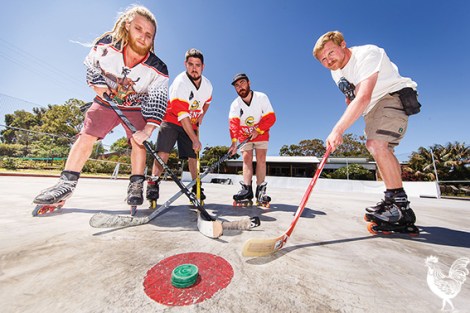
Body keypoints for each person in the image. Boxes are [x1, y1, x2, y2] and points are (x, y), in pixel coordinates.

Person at [33, 5, 169, 212]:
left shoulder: (158, 68)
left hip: (136, 107)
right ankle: (66, 184)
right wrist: (99, 86)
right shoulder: (107, 46)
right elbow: (92, 67)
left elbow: (158, 100)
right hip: (106, 100)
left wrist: (147, 131)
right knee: (86, 135)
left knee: (138, 141)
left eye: (148, 34)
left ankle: (136, 183)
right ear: (127, 26)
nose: (143, 36)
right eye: (138, 29)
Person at [313, 31, 421, 231]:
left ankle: (399, 206)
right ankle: (395, 202)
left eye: (330, 53)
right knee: (381, 149)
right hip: (371, 109)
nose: (328, 60)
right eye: (323, 59)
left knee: (376, 144)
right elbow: (352, 98)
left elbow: (363, 97)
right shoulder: (335, 72)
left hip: (392, 96)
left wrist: (338, 130)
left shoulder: (367, 53)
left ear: (343, 44)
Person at [146, 48, 212, 205]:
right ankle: (153, 183)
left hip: (192, 123)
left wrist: (202, 114)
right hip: (172, 120)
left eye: (197, 65)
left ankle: (196, 186)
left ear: (203, 66)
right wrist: (194, 139)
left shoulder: (208, 85)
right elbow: (182, 116)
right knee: (163, 153)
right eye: (190, 64)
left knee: (193, 157)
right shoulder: (180, 83)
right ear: (185, 64)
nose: (194, 68)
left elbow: (207, 102)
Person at [228, 73, 276, 207]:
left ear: (249, 83)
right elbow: (233, 124)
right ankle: (246, 190)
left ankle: (260, 190)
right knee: (246, 159)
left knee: (261, 159)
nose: (240, 87)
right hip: (244, 136)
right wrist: (234, 142)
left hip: (261, 133)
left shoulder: (261, 97)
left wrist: (258, 130)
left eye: (242, 83)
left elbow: (271, 118)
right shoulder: (235, 104)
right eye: (237, 86)